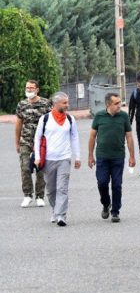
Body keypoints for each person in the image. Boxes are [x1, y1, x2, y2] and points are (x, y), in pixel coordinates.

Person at [33, 92, 81, 226]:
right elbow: (37, 138)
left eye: (67, 102)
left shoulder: (70, 119)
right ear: (56, 104)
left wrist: (77, 156)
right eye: (64, 103)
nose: (67, 105)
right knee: (51, 189)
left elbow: (74, 138)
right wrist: (37, 157)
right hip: (48, 159)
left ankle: (61, 215)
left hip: (64, 158)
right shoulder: (45, 119)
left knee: (62, 188)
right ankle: (55, 210)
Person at [88, 92, 135, 223]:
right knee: (102, 182)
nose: (119, 105)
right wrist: (90, 155)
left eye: (120, 103)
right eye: (116, 103)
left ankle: (115, 211)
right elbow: (92, 136)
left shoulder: (124, 117)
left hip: (118, 156)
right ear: (108, 104)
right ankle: (106, 203)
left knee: (117, 184)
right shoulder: (99, 116)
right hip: (102, 156)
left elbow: (129, 137)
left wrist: (132, 156)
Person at [15, 80, 51, 208]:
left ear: (37, 89)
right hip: (25, 140)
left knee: (40, 169)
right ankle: (27, 195)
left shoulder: (45, 103)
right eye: (27, 88)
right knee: (25, 168)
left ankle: (40, 196)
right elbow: (19, 123)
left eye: (31, 88)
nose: (29, 90)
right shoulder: (22, 104)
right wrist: (17, 142)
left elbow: (50, 122)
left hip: (41, 141)